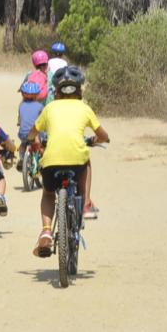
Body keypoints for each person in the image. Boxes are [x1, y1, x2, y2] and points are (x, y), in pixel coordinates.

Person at [25, 65, 109, 257]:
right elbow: (103, 135)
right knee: (86, 161)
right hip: (76, 162)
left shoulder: (49, 108)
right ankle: (86, 203)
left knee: (48, 194)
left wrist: (32, 140)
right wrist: (96, 140)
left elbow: (33, 132)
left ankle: (46, 230)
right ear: (79, 90)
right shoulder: (84, 108)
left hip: (51, 162)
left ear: (56, 91)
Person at [15, 80, 45, 170]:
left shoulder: (21, 105)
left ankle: (22, 158)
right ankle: (42, 160)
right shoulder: (40, 106)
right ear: (37, 95)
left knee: (23, 144)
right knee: (43, 143)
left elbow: (20, 119)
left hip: (23, 133)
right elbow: (43, 119)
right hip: (36, 134)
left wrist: (19, 123)